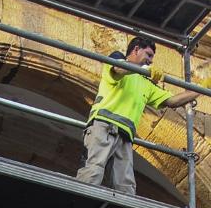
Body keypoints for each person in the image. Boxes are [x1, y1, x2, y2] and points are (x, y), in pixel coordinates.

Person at [76, 35, 198, 196]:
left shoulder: (145, 83)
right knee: (94, 170)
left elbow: (172, 101)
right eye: (148, 55)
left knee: (125, 185)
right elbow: (119, 69)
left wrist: (199, 90)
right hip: (104, 126)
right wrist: (143, 69)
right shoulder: (116, 60)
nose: (150, 61)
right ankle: (79, 200)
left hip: (125, 136)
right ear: (136, 49)